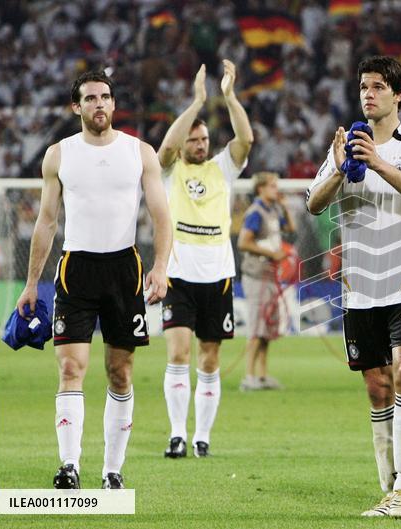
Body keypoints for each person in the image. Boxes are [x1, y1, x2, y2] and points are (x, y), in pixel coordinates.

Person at [14, 70, 172, 489]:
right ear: (76, 106)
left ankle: (112, 472)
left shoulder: (140, 152)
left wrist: (160, 267)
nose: (99, 104)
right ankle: (69, 466)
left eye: (105, 97)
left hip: (124, 269)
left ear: (114, 104)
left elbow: (161, 216)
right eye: (90, 98)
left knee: (120, 372)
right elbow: (47, 223)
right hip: (76, 270)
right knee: (70, 366)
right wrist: (31, 284)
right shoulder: (59, 155)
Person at [306, 55, 401, 518]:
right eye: (364, 86)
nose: (369, 94)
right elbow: (312, 203)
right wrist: (342, 168)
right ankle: (389, 481)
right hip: (361, 283)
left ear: (398, 94)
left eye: (379, 86)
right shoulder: (343, 144)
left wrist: (378, 163)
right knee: (377, 387)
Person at [159, 60, 253, 459]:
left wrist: (229, 97)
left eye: (204, 140)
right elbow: (165, 147)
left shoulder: (222, 169)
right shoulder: (168, 171)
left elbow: (245, 140)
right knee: (178, 353)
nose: (201, 145)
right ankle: (177, 433)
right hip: (178, 275)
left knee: (210, 359)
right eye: (194, 140)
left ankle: (202, 436)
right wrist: (197, 102)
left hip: (218, 276)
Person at [237, 171, 296, 390]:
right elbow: (243, 242)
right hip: (256, 274)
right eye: (272, 185)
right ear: (260, 188)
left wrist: (286, 206)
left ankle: (261, 376)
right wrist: (272, 254)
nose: (276, 189)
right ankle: (248, 377)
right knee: (256, 328)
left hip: (270, 274)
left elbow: (290, 229)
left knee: (267, 328)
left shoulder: (272, 210)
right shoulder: (255, 212)